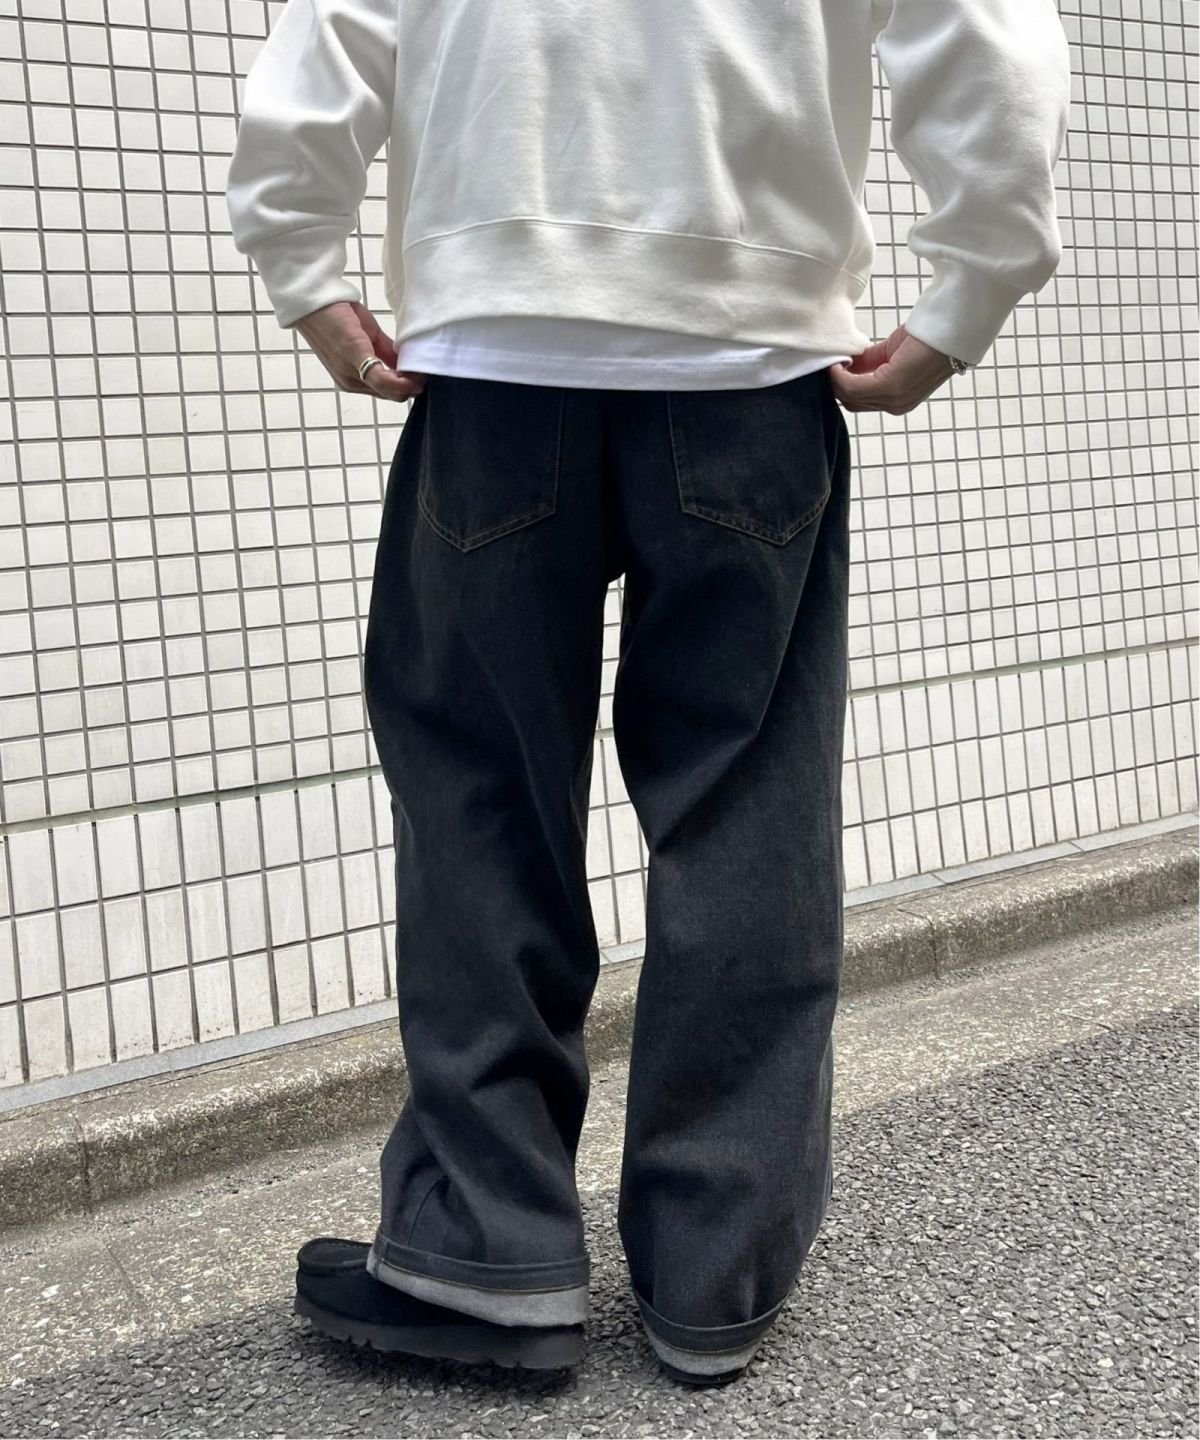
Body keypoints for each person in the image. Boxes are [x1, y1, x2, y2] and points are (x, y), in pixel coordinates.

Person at [225, 0, 1071, 1387]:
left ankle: (483, 1247)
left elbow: (331, 38)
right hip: (748, 359)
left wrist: (301, 257)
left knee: (481, 797)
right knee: (746, 808)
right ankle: (712, 1265)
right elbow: (985, 31)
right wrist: (970, 287)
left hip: (496, 362)